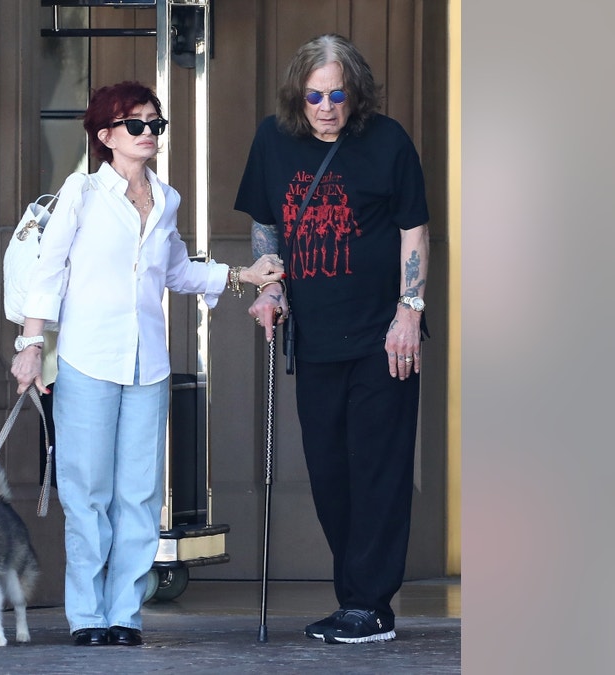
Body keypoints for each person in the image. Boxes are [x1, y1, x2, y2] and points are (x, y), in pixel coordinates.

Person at [11, 81, 283, 648]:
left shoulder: (167, 199)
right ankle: (87, 614)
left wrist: (240, 276)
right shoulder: (81, 192)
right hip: (88, 358)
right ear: (106, 136)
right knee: (86, 492)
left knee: (138, 493)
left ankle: (124, 614)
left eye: (156, 125)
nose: (149, 134)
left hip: (147, 365)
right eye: (137, 125)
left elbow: (177, 271)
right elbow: (49, 272)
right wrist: (30, 346)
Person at [235, 34, 430, 645]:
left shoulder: (388, 141)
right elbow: (266, 221)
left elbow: (413, 231)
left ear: (357, 92)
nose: (325, 106)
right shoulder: (274, 139)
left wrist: (409, 312)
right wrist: (270, 290)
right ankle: (355, 600)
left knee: (378, 471)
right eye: (314, 95)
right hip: (315, 339)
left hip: (382, 339)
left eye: (337, 93)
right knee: (329, 473)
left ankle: (371, 605)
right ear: (299, 94)